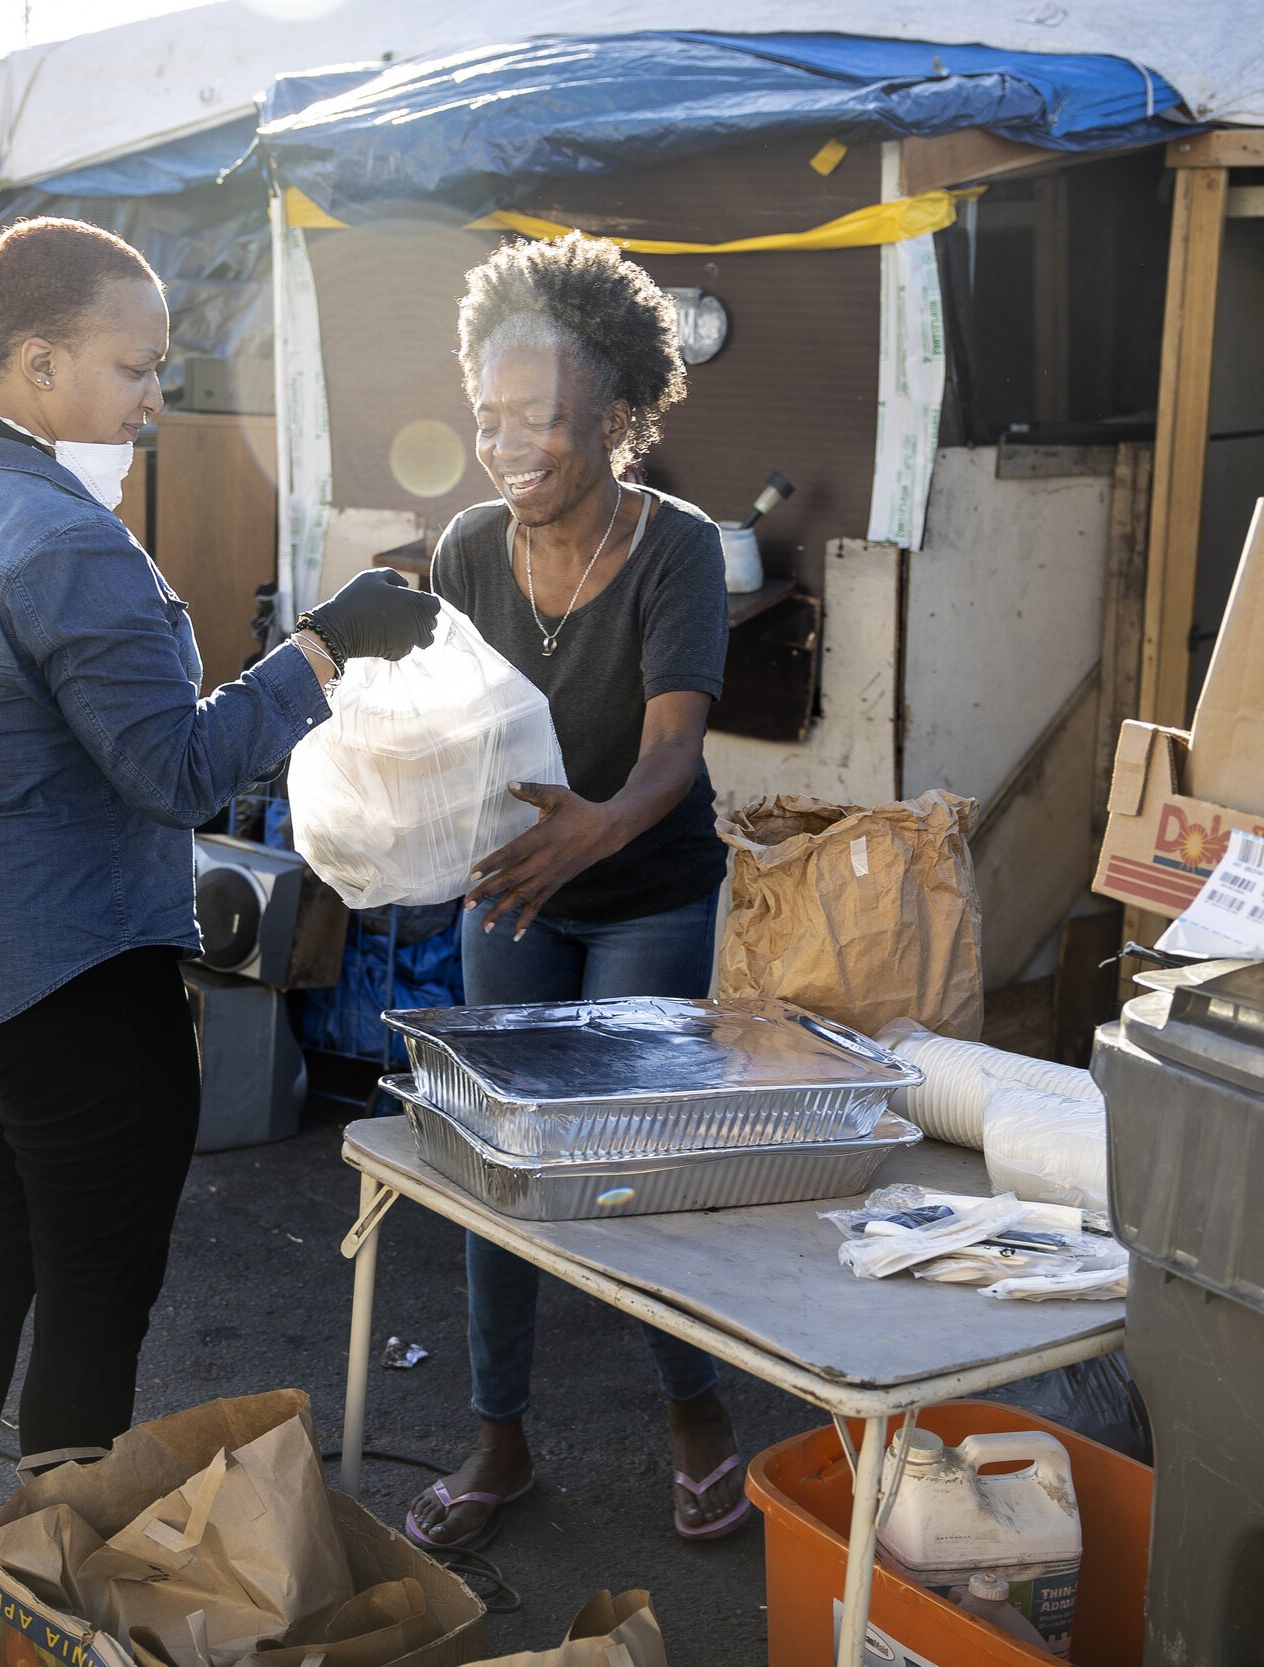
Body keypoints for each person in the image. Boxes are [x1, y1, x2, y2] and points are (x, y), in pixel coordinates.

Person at [0, 217, 439, 1644]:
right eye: (135, 367)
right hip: (72, 983)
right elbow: (174, 769)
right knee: (94, 1292)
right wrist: (324, 647)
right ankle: (39, 1613)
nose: (156, 397)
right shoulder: (64, 541)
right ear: (37, 365)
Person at [406, 233, 747, 1551]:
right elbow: (447, 725)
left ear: (614, 419)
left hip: (648, 887)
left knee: (631, 1165)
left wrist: (596, 826)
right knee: (504, 1157)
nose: (508, 446)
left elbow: (674, 748)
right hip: (515, 893)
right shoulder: (470, 549)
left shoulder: (679, 550)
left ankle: (698, 1416)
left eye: (539, 420)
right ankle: (499, 1441)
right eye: (490, 420)